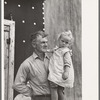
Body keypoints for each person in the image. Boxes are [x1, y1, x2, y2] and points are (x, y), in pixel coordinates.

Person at [13, 31, 51, 100]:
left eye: (46, 42)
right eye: (43, 42)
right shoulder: (27, 63)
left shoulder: (52, 60)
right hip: (39, 98)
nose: (46, 45)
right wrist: (32, 92)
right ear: (34, 44)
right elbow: (17, 84)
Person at [48, 30, 74, 100]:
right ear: (59, 40)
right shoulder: (58, 49)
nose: (64, 44)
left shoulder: (65, 52)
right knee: (58, 89)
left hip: (59, 73)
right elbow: (51, 50)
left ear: (69, 44)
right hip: (56, 71)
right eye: (62, 41)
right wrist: (46, 51)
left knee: (55, 89)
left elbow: (67, 63)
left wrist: (66, 72)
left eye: (66, 43)